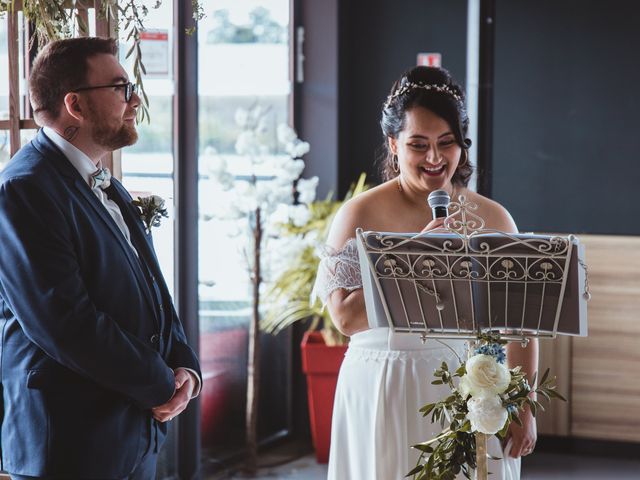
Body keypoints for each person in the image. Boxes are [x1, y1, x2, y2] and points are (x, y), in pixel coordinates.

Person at [313, 66, 538, 479]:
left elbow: (519, 323)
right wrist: (414, 256)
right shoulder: (359, 214)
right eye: (419, 144)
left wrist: (522, 404)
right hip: (383, 384)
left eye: (446, 143)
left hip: (470, 389)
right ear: (393, 144)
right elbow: (344, 318)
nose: (434, 158)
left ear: (461, 146)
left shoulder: (493, 217)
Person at [0, 37, 201, 479]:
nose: (135, 100)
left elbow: (152, 287)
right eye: (121, 87)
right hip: (70, 443)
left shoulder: (105, 181)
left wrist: (184, 365)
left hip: (130, 432)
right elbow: (63, 321)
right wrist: (159, 383)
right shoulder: (25, 188)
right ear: (75, 104)